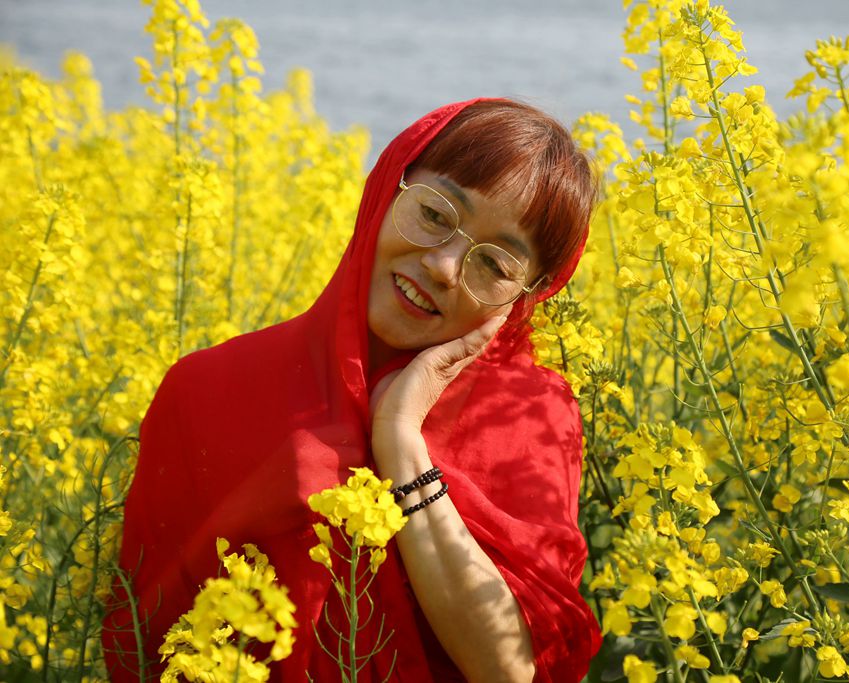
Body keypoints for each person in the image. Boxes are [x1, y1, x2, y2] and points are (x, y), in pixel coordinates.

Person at [102, 98, 602, 682]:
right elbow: (146, 648)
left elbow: (509, 672)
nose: (443, 266)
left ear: (526, 297)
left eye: (494, 266)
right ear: (387, 189)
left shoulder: (533, 417)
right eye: (434, 213)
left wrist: (400, 439)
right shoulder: (206, 389)